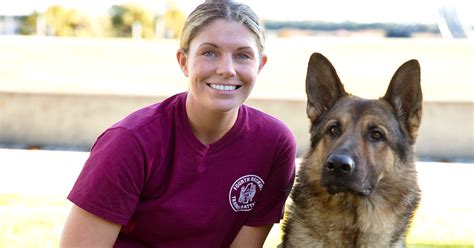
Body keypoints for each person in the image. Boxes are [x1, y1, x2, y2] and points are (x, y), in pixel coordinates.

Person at [60, 0, 296, 247]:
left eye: (242, 55)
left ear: (260, 65)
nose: (226, 69)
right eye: (209, 53)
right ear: (183, 61)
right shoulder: (131, 141)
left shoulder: (274, 144)